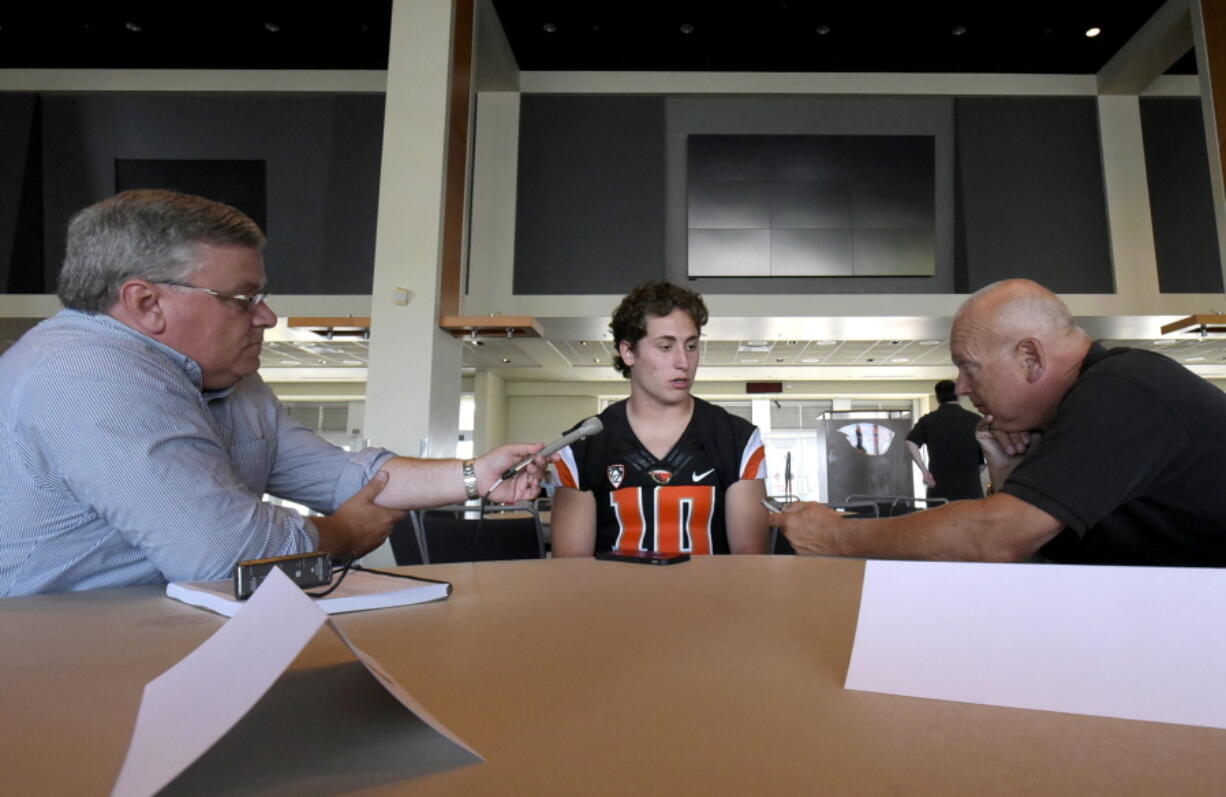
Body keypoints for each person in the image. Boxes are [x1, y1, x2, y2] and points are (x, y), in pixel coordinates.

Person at [0, 190, 546, 597]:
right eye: (242, 297)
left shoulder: (224, 376)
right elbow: (227, 555)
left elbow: (338, 475)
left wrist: (476, 475)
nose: (267, 316)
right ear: (147, 304)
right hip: (50, 659)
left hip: (150, 637)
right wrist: (344, 534)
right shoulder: (84, 373)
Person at [772, 278, 1226, 566]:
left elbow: (995, 538)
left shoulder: (1124, 391)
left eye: (969, 366)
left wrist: (837, 535)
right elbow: (1045, 552)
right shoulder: (1077, 409)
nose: (963, 387)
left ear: (1030, 358)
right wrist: (1009, 473)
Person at [550, 281, 769, 557]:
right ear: (628, 352)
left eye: (691, 346)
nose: (683, 362)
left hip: (713, 599)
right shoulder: (583, 445)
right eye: (665, 347)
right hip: (613, 600)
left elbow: (749, 566)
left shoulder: (737, 439)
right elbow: (572, 571)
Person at [904, 379, 984, 501]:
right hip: (970, 491)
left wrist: (925, 471)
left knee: (938, 519)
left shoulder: (928, 420)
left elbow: (910, 442)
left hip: (939, 490)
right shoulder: (975, 420)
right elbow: (985, 458)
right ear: (958, 396)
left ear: (937, 398)